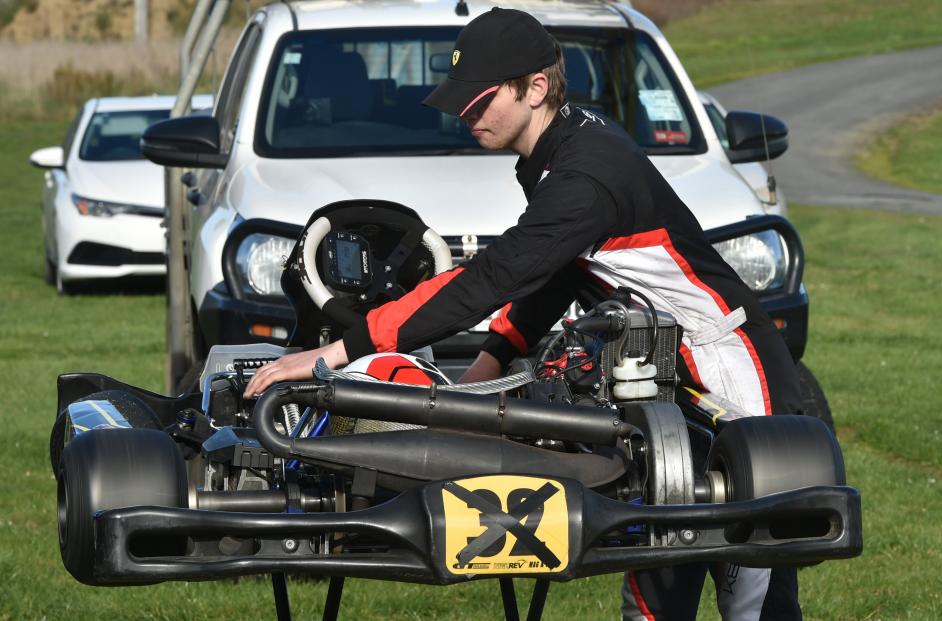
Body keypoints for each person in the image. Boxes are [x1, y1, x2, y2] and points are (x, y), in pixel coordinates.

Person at [243, 7, 804, 620]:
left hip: (729, 370)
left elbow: (493, 277)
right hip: (665, 376)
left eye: (480, 100)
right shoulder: (560, 148)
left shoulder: (585, 171)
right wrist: (489, 365)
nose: (465, 114)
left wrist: (336, 352)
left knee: (753, 592)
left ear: (536, 88)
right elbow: (555, 273)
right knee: (656, 586)